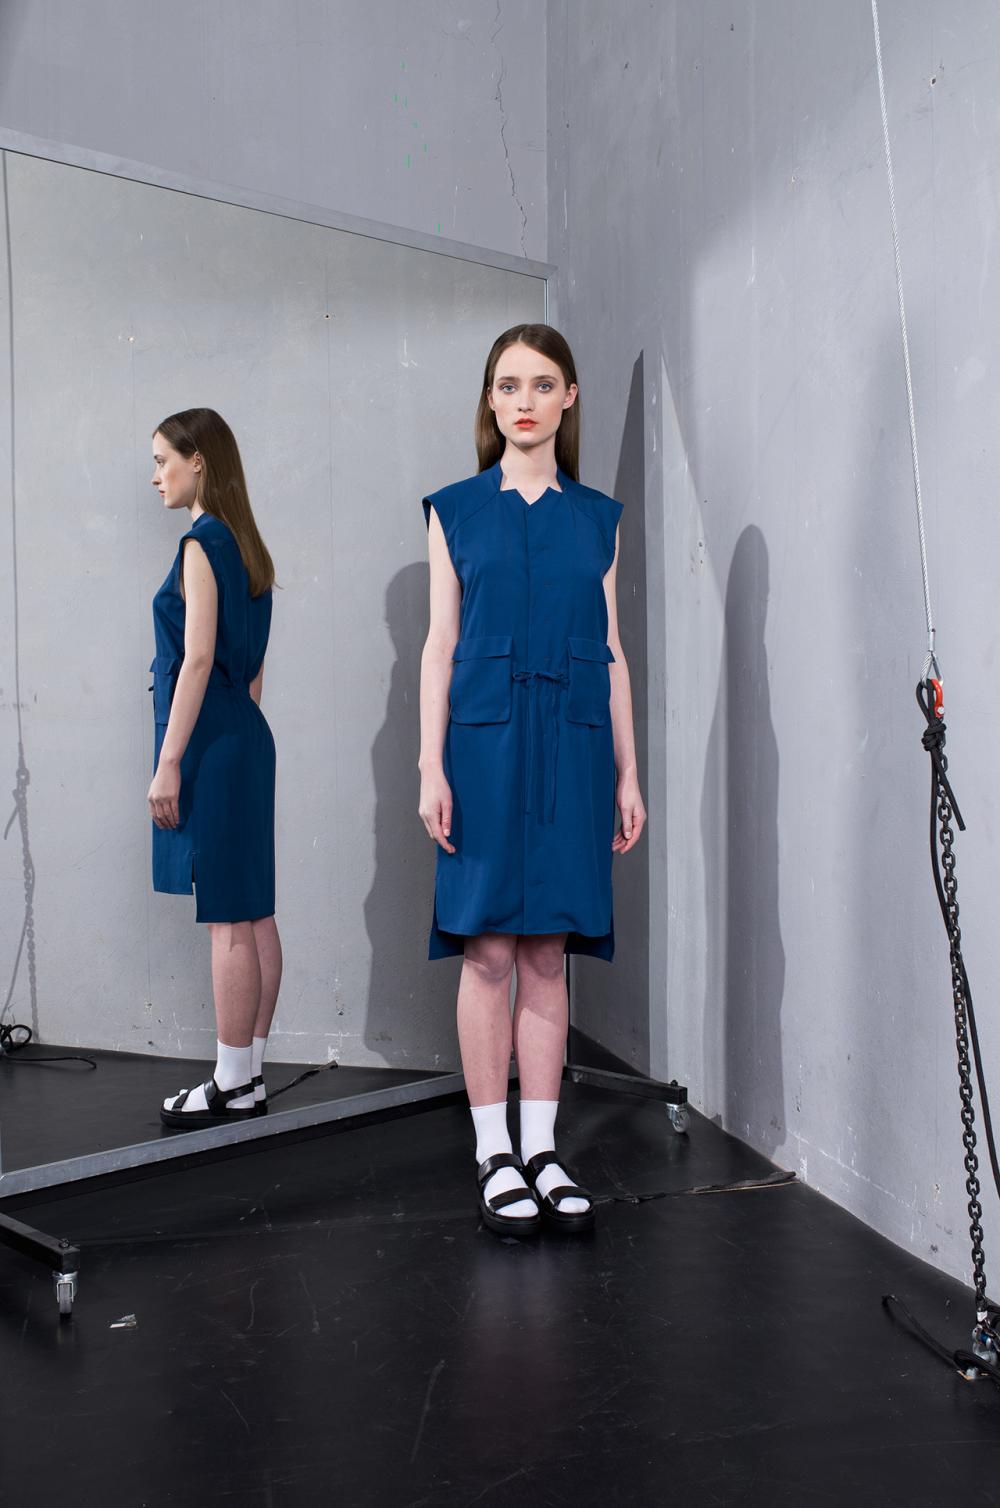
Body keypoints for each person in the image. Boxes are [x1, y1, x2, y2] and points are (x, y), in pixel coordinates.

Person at [418, 325, 646, 1235]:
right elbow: (439, 645)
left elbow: (613, 651)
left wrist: (629, 770)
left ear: (569, 397)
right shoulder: (454, 510)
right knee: (487, 951)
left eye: (542, 384)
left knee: (549, 952)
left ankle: (542, 1148)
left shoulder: (597, 519)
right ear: (490, 399)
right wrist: (430, 764)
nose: (524, 401)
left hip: (573, 746)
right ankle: (492, 1152)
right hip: (481, 747)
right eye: (508, 385)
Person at [147, 407, 282, 1128]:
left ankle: (229, 1081)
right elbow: (250, 672)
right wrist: (236, 735)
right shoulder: (248, 547)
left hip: (213, 740)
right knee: (254, 911)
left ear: (197, 460)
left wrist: (170, 761)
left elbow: (197, 659)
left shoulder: (201, 543)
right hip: (247, 735)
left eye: (162, 460)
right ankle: (250, 1073)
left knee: (228, 917)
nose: (156, 476)